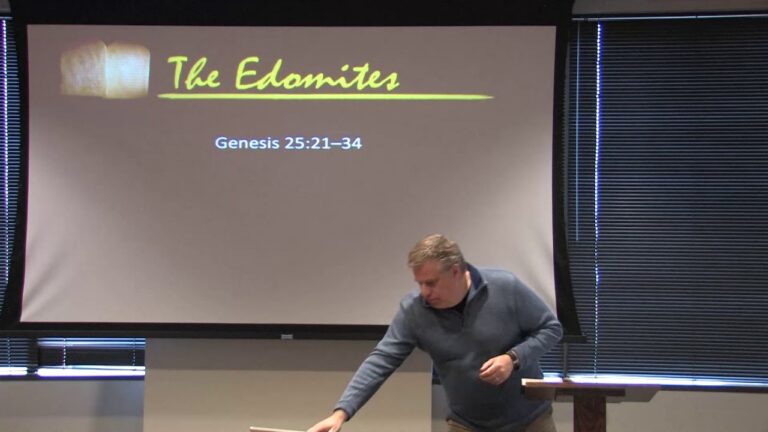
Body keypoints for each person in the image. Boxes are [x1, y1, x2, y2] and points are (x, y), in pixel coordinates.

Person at [307, 234, 562, 432]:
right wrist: (341, 413)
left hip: (530, 421)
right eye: (419, 283)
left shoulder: (505, 287)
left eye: (430, 283)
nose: (424, 292)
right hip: (467, 424)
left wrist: (512, 358)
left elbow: (551, 329)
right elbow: (381, 360)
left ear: (455, 271)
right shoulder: (415, 311)